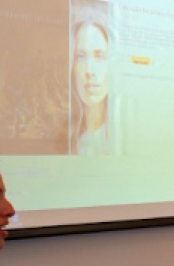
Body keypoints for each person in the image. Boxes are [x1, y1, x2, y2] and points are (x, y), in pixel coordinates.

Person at [70, 5, 113, 155]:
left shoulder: (122, 138)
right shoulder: (68, 140)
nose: (89, 71)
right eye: (81, 57)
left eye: (99, 56)